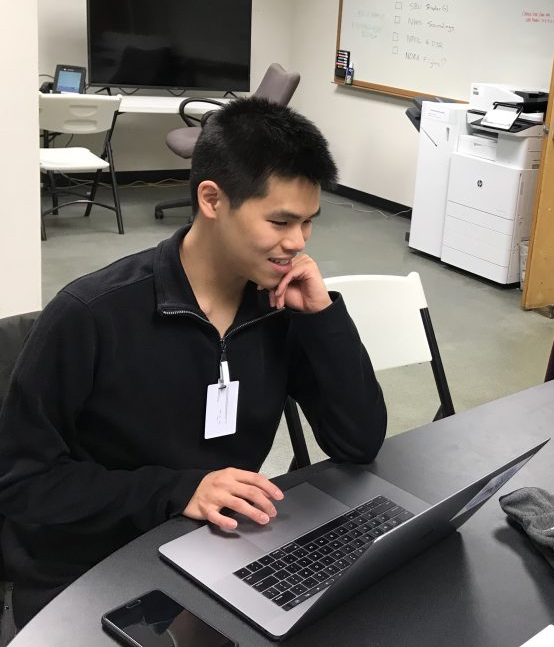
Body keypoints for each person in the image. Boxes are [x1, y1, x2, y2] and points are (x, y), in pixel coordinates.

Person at [0, 97, 387, 627]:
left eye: (309, 223)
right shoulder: (90, 315)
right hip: (93, 567)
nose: (296, 243)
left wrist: (321, 318)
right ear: (211, 199)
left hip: (217, 549)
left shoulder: (278, 305)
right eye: (280, 221)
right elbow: (24, 485)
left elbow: (359, 441)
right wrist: (178, 490)